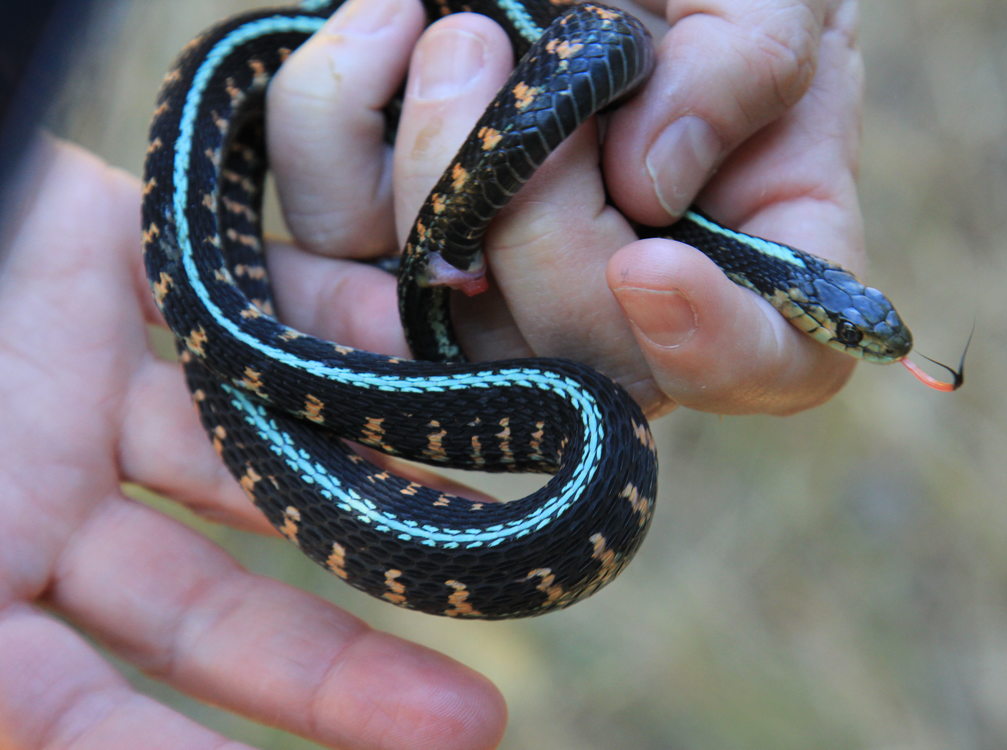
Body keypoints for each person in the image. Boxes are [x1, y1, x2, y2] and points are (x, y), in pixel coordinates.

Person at [0, 0, 865, 747]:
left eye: (851, 331)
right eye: (850, 327)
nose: (858, 339)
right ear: (809, 299)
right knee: (239, 322)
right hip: (242, 92)